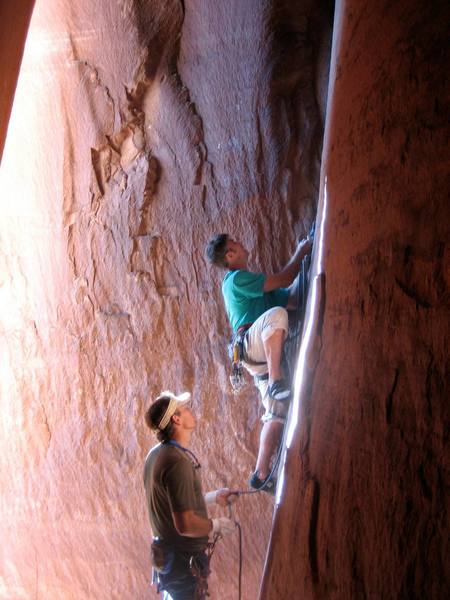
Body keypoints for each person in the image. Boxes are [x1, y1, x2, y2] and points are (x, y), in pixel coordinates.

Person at [205, 234, 312, 491]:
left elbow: (293, 297)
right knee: (277, 315)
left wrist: (307, 263)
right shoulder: (236, 279)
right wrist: (302, 250)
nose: (241, 243)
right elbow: (285, 279)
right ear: (230, 256)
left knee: (276, 414)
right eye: (236, 244)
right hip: (253, 343)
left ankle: (260, 473)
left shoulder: (256, 289)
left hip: (255, 354)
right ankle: (276, 380)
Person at [144, 390, 237, 599]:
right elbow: (184, 524)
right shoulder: (176, 461)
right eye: (184, 409)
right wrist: (216, 525)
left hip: (170, 563)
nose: (189, 411)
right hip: (183, 565)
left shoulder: (156, 455)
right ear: (176, 419)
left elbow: (173, 505)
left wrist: (214, 498)